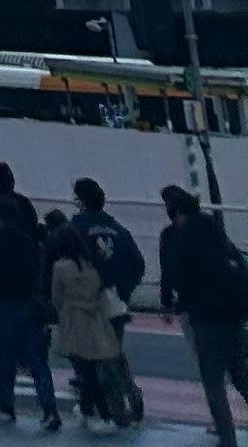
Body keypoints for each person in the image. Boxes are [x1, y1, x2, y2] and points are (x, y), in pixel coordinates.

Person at [159, 183, 248, 447]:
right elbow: (238, 264)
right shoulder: (214, 230)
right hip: (233, 317)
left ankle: (227, 437)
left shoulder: (177, 238)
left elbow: (172, 274)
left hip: (203, 319)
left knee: (213, 381)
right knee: (241, 374)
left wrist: (169, 302)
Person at [0, 162, 59, 430]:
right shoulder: (26, 232)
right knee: (36, 357)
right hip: (28, 299)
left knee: (5, 355)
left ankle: (6, 404)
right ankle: (49, 407)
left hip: (3, 301)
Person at [69, 185, 146, 427]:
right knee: (115, 356)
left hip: (88, 303)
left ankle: (116, 411)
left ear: (82, 201)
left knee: (95, 360)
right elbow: (138, 265)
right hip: (115, 303)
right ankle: (133, 401)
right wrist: (123, 290)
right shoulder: (118, 230)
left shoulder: (76, 228)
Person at [52, 222, 127, 427]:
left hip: (72, 320)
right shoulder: (91, 266)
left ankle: (102, 413)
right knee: (91, 367)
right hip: (94, 320)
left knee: (85, 370)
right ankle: (87, 409)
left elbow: (57, 298)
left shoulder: (60, 267)